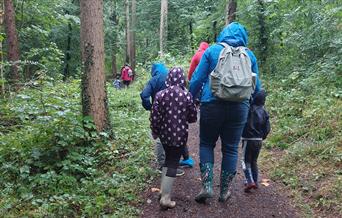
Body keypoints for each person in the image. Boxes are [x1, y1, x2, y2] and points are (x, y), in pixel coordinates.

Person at [189, 22, 262, 203]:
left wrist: (190, 98)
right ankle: (224, 192)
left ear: (223, 34)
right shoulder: (249, 55)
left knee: (206, 144)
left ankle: (207, 186)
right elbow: (257, 88)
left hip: (211, 103)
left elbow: (197, 79)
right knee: (230, 148)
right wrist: (247, 104)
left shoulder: (212, 51)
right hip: (239, 108)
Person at [150, 67, 197, 209]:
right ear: (182, 78)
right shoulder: (186, 95)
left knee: (167, 161)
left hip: (164, 135)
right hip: (180, 136)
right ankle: (165, 198)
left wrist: (155, 131)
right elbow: (193, 117)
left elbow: (155, 116)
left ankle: (163, 191)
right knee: (172, 163)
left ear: (168, 78)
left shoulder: (160, 95)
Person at [140, 63, 188, 176]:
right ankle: (176, 163)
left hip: (159, 113)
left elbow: (144, 95)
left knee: (159, 138)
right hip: (176, 113)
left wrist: (149, 107)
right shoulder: (173, 78)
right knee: (177, 134)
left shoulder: (154, 80)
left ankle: (163, 165)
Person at [241, 89, 270, 192]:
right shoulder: (264, 112)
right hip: (259, 140)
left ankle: (249, 181)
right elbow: (267, 128)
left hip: (248, 139)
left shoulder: (248, 109)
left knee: (245, 160)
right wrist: (262, 137)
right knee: (254, 161)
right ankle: (255, 181)